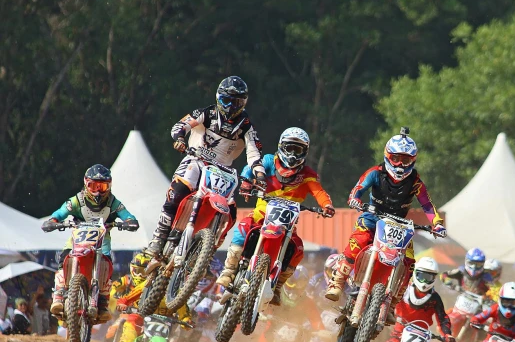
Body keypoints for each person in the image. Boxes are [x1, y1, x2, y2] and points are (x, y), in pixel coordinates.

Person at [325, 127, 446, 302]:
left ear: (413, 160)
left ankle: (393, 302)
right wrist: (355, 200)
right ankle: (337, 282)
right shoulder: (375, 172)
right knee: (357, 241)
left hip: (399, 225)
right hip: (372, 216)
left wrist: (437, 224)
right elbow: (357, 190)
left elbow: (427, 205)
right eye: (395, 159)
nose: (399, 165)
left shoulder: (416, 182)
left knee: (410, 261)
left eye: (405, 160)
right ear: (388, 156)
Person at [146, 76, 264, 257]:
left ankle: (207, 252)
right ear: (218, 97)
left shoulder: (246, 126)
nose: (231, 107)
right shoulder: (206, 113)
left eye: (237, 102)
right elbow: (181, 125)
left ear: (244, 102)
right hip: (196, 159)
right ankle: (159, 237)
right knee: (178, 190)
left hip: (223, 171)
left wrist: (259, 174)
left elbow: (254, 152)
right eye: (227, 100)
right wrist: (179, 138)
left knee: (231, 210)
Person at [216, 127, 335, 305]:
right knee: (243, 228)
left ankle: (277, 286)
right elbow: (251, 169)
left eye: (298, 149)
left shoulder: (308, 174)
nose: (293, 154)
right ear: (281, 146)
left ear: (305, 152)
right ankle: (228, 270)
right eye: (290, 148)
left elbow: (319, 192)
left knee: (298, 250)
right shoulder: (269, 161)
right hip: (261, 215)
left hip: (287, 224)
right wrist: (247, 183)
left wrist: (326, 205)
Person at [42, 165, 139, 322]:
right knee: (64, 260)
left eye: (103, 186)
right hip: (77, 240)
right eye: (94, 186)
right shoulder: (77, 200)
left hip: (102, 243)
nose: (98, 191)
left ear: (110, 185)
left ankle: (102, 302)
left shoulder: (113, 203)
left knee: (107, 267)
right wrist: (53, 221)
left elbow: (127, 214)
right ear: (86, 184)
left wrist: (130, 222)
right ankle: (59, 294)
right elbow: (60, 212)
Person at [372, 257, 456, 342]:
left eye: (428, 278)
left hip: (423, 334)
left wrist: (447, 334)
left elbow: (443, 317)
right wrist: (380, 313)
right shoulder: (403, 289)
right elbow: (388, 300)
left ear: (434, 278)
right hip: (401, 327)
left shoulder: (435, 298)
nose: (424, 281)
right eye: (421, 276)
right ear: (415, 273)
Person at [110, 253, 193, 342]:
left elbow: (183, 311)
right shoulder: (148, 285)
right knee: (129, 333)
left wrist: (186, 320)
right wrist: (122, 303)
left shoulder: (175, 292)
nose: (168, 276)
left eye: (171, 274)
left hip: (163, 324)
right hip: (139, 318)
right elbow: (128, 297)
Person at [439, 248, 494, 335]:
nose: (474, 267)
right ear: (466, 261)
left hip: (478, 306)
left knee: (484, 327)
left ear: (483, 264)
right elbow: (444, 275)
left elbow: (494, 290)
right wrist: (452, 285)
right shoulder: (461, 271)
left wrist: (489, 297)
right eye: (471, 263)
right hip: (461, 301)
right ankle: (441, 335)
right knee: (445, 316)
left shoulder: (487, 277)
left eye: (478, 264)